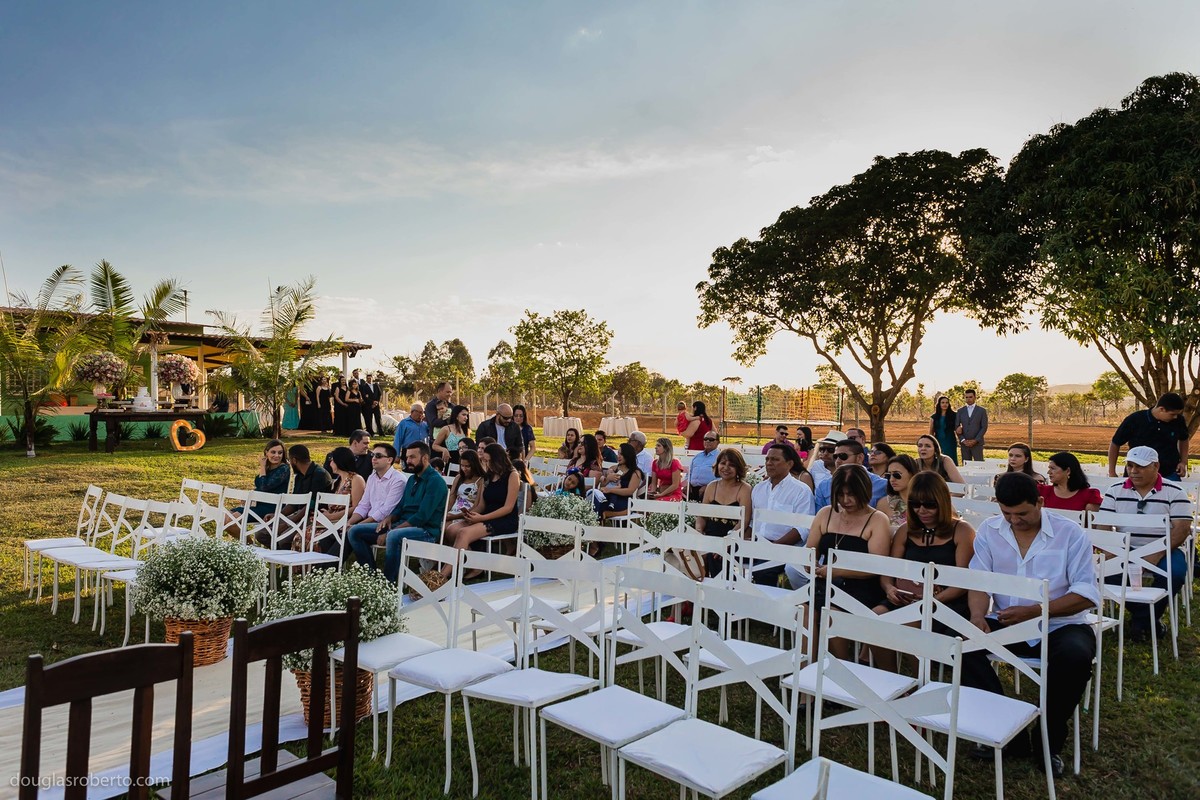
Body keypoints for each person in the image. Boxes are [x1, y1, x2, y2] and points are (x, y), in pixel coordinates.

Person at [964, 472, 1099, 779]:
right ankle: (1006, 731)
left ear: (1040, 502)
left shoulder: (1070, 533)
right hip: (1007, 620)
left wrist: (1037, 611)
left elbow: (1086, 594)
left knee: (1075, 656)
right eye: (1007, 513)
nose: (1014, 520)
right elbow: (978, 580)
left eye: (1022, 513)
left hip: (1062, 623)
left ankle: (1047, 742)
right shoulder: (989, 529)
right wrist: (976, 616)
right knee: (962, 644)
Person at [873, 471, 975, 670]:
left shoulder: (962, 531)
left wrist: (932, 601)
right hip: (907, 596)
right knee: (873, 619)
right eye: (915, 504)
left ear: (942, 503)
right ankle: (891, 680)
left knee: (909, 626)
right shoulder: (906, 531)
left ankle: (923, 684)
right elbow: (889, 571)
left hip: (946, 601)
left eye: (929, 505)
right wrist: (889, 589)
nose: (922, 510)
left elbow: (963, 582)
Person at [1098, 446, 1193, 640]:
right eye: (1130, 466)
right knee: (1101, 573)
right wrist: (1113, 550)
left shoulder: (1175, 491)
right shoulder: (1115, 491)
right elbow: (1103, 526)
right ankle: (1147, 619)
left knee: (1173, 574)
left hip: (1165, 548)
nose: (1133, 471)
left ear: (1156, 466)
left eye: (1140, 467)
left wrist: (1157, 553)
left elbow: (1182, 529)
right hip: (1126, 548)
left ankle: (1141, 621)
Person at [806, 465, 891, 658]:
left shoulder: (877, 519)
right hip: (826, 582)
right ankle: (806, 668)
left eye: (851, 494)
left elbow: (877, 565)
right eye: (840, 494)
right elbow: (810, 551)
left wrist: (838, 571)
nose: (845, 500)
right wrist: (811, 564)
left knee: (833, 613)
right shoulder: (825, 514)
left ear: (864, 491)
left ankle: (842, 667)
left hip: (861, 586)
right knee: (803, 610)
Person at [353, 442, 448, 584]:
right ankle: (371, 578)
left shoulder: (435, 482)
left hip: (425, 531)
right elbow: (401, 507)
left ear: (425, 458)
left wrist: (391, 531)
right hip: (402, 525)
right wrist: (390, 517)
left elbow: (422, 517)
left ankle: (388, 584)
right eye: (407, 457)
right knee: (355, 531)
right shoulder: (412, 479)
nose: (408, 461)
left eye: (412, 457)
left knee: (393, 536)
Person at [441, 443, 521, 578]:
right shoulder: (488, 476)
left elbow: (508, 508)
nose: (487, 464)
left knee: (463, 533)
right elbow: (482, 505)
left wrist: (482, 518)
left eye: (489, 461)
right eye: (485, 461)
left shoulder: (512, 475)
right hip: (485, 515)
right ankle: (475, 564)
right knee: (450, 529)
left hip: (504, 519)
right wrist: (470, 514)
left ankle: (442, 576)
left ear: (498, 459)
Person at [749, 443, 815, 585]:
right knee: (718, 556)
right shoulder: (758, 489)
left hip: (784, 548)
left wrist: (772, 547)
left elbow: (803, 529)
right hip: (756, 545)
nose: (769, 463)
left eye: (775, 460)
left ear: (789, 464)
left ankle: (765, 605)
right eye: (767, 459)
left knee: (762, 570)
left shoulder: (801, 491)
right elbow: (751, 522)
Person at [342, 443, 407, 564]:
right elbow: (364, 505)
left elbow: (386, 511)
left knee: (353, 532)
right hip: (370, 522)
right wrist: (350, 522)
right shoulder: (372, 477)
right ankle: (326, 565)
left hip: (385, 525)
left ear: (389, 460)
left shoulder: (398, 480)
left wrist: (359, 525)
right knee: (341, 531)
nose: (373, 458)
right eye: (373, 455)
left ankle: (369, 573)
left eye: (378, 455)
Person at [296, 446, 365, 557]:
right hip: (330, 519)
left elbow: (357, 507)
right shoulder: (337, 481)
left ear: (339, 461)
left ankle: (317, 568)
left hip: (344, 520)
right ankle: (304, 570)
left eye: (332, 460)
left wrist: (331, 517)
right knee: (302, 535)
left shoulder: (356, 479)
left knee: (316, 539)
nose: (330, 463)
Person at [695, 448, 754, 577]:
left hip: (733, 536)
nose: (726, 468)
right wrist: (698, 531)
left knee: (716, 554)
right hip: (710, 535)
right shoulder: (712, 486)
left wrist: (728, 540)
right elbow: (702, 516)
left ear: (738, 468)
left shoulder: (744, 489)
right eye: (723, 463)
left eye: (731, 465)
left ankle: (722, 590)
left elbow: (744, 521)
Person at [1109, 392, 1190, 480]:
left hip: (1169, 474)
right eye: (1172, 414)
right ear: (1161, 409)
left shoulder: (1178, 421)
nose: (1175, 417)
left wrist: (1183, 462)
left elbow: (1184, 439)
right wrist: (1112, 471)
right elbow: (1115, 443)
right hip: (1136, 474)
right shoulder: (1135, 420)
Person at [225, 439, 291, 535]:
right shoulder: (268, 468)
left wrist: (262, 467)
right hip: (259, 504)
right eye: (273, 452)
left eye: (280, 453)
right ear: (266, 453)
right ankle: (247, 545)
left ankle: (249, 546)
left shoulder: (284, 469)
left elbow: (264, 486)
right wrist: (249, 498)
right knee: (226, 518)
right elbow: (260, 487)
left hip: (272, 507)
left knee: (232, 520)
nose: (277, 455)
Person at [275, 444, 333, 549]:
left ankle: (291, 562)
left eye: (289, 460)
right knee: (263, 533)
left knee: (283, 539)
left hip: (314, 517)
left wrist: (290, 522)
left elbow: (312, 504)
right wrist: (278, 515)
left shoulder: (320, 475)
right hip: (299, 515)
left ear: (294, 460)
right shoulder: (300, 476)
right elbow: (294, 502)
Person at [814, 439, 888, 511]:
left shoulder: (883, 485)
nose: (838, 461)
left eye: (843, 456)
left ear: (860, 458)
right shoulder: (824, 486)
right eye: (835, 457)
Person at [592, 442, 645, 518]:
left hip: (624, 499)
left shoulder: (635, 472)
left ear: (628, 456)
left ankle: (605, 517)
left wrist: (611, 490)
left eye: (621, 454)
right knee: (596, 503)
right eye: (618, 453)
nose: (618, 456)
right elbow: (602, 486)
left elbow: (630, 491)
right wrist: (608, 479)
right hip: (608, 497)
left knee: (600, 507)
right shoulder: (613, 468)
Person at [875, 454, 919, 530]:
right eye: (888, 475)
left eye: (897, 474)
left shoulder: (926, 501)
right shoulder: (883, 504)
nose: (892, 479)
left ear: (912, 474)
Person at [447, 449, 485, 524]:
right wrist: (446, 513)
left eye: (467, 466)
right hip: (453, 512)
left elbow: (477, 505)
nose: (464, 469)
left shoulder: (481, 480)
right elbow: (452, 498)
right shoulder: (459, 477)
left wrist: (455, 516)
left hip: (467, 514)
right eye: (462, 465)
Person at [954, 388, 989, 461]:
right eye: (966, 397)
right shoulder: (960, 411)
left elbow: (984, 427)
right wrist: (963, 440)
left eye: (970, 397)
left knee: (979, 465)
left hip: (977, 444)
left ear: (975, 397)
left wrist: (975, 440)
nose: (968, 399)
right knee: (966, 466)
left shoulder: (982, 411)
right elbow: (956, 426)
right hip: (964, 444)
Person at [687, 429, 721, 501]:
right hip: (692, 490)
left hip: (711, 491)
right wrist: (687, 484)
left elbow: (721, 478)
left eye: (711, 439)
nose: (707, 441)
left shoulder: (720, 457)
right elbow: (689, 473)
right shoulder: (697, 457)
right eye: (705, 439)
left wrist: (709, 487)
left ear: (718, 442)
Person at [647, 437, 684, 502]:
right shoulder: (655, 463)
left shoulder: (674, 463)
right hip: (661, 492)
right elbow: (654, 483)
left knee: (658, 502)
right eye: (656, 446)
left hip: (673, 493)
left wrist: (661, 494)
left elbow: (675, 485)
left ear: (666, 448)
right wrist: (652, 493)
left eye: (658, 446)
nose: (655, 447)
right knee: (646, 502)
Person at [929, 395, 959, 465]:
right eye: (942, 402)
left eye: (946, 403)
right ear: (939, 404)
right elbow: (931, 432)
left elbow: (958, 427)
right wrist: (931, 443)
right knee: (939, 459)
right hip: (938, 441)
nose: (945, 404)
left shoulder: (954, 415)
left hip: (950, 441)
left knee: (951, 458)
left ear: (949, 404)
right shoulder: (934, 417)